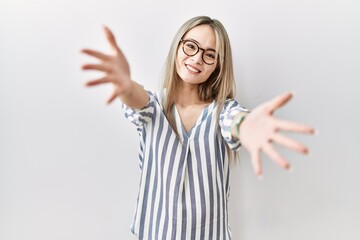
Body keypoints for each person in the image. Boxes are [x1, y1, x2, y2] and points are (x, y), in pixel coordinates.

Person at [81, 16, 314, 240]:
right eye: (191, 46)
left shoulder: (222, 111)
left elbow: (235, 120)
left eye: (209, 54)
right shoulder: (155, 106)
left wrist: (246, 125)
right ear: (178, 46)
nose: (197, 58)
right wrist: (124, 85)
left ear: (218, 66)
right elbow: (137, 98)